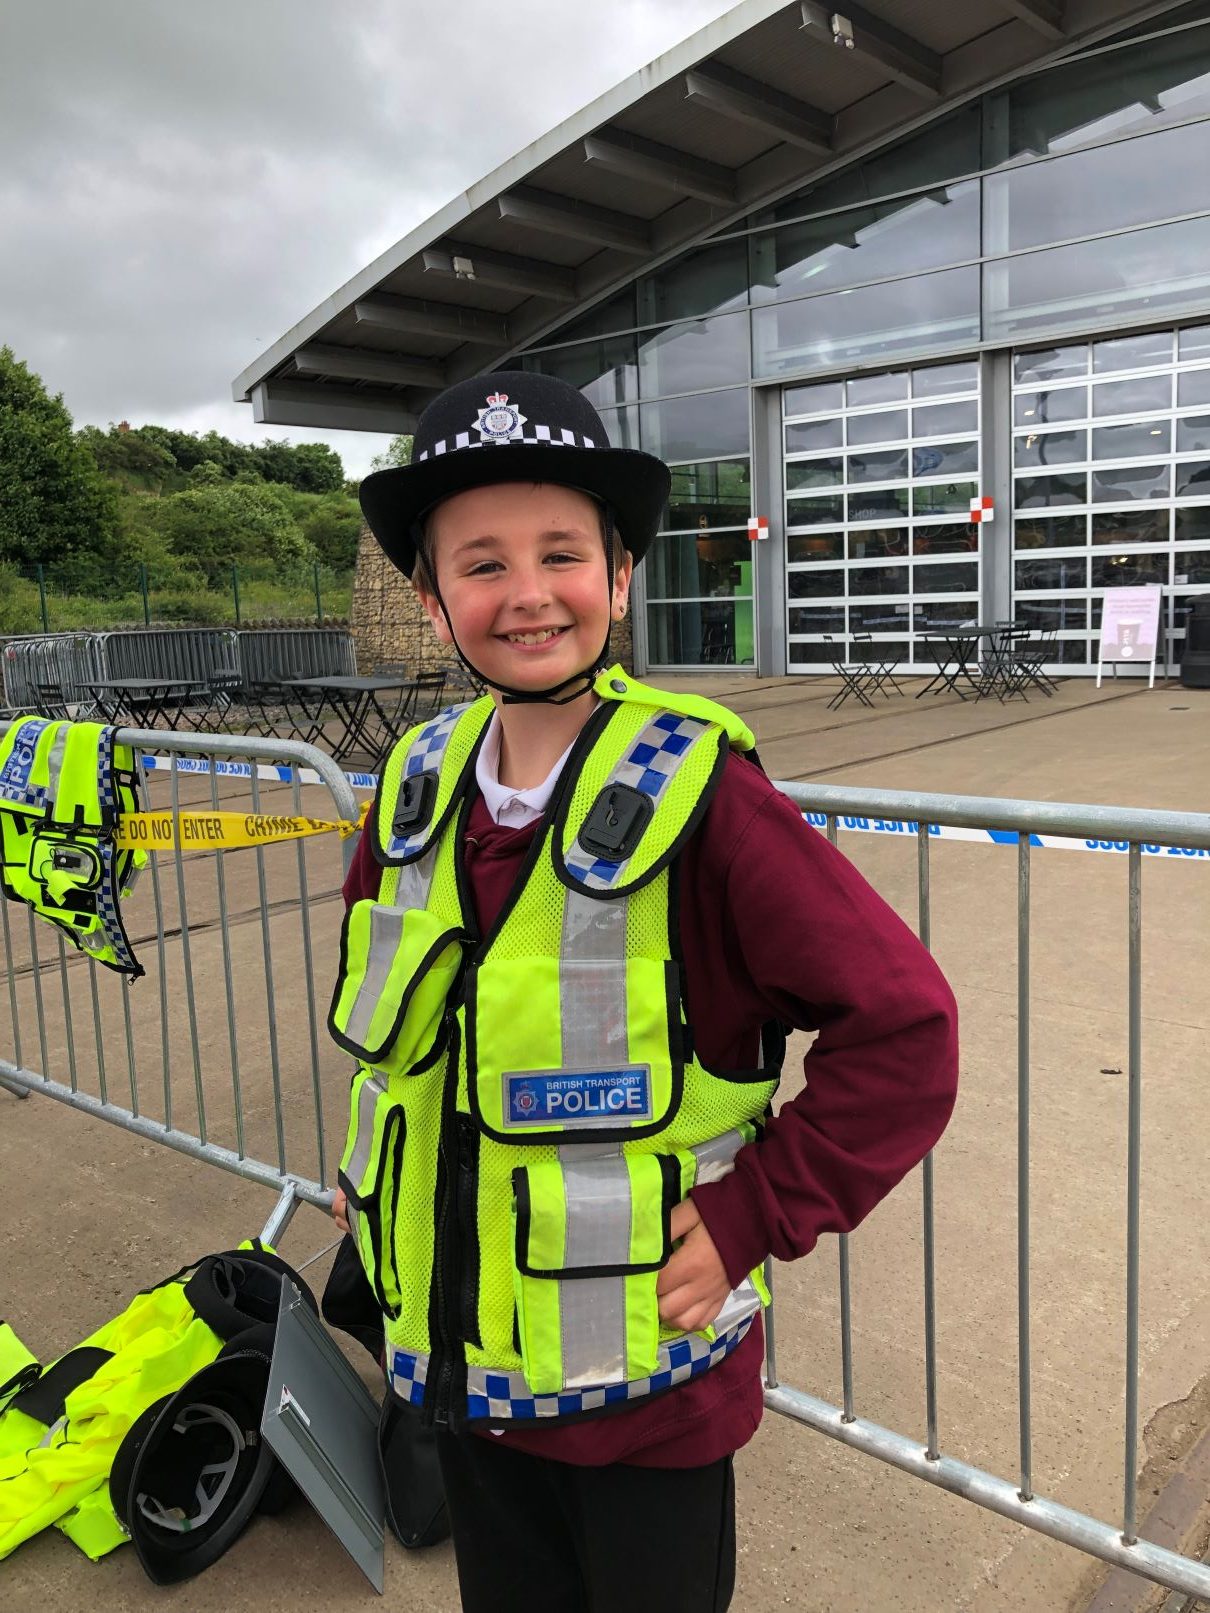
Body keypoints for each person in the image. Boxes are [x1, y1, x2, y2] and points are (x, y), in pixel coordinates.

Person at [331, 371, 958, 1612]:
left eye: (561, 552)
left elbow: (905, 1027)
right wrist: (368, 1186)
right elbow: (405, 1042)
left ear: (618, 578)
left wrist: (754, 1213)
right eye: (480, 562)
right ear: (429, 595)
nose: (525, 593)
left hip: (645, 1404)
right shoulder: (414, 783)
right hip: (463, 1377)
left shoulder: (707, 795)